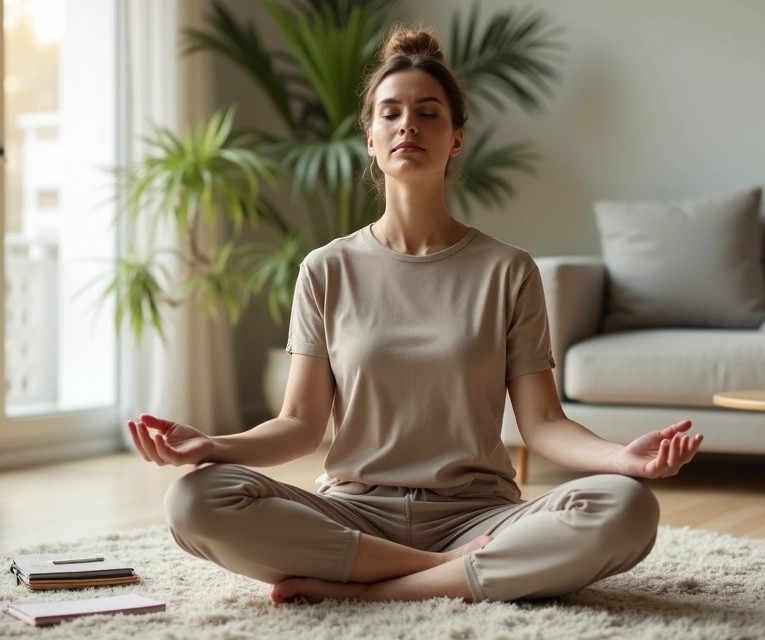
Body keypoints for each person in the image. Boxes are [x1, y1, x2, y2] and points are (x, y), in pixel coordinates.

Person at [126, 27, 703, 606]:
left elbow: (543, 424)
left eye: (429, 114)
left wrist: (621, 457)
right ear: (371, 140)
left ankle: (371, 591)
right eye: (391, 113)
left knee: (627, 506)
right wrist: (211, 446)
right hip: (352, 515)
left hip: (479, 518)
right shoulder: (326, 269)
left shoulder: (509, 270)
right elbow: (300, 424)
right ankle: (448, 573)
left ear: (455, 139)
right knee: (194, 501)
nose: (409, 125)